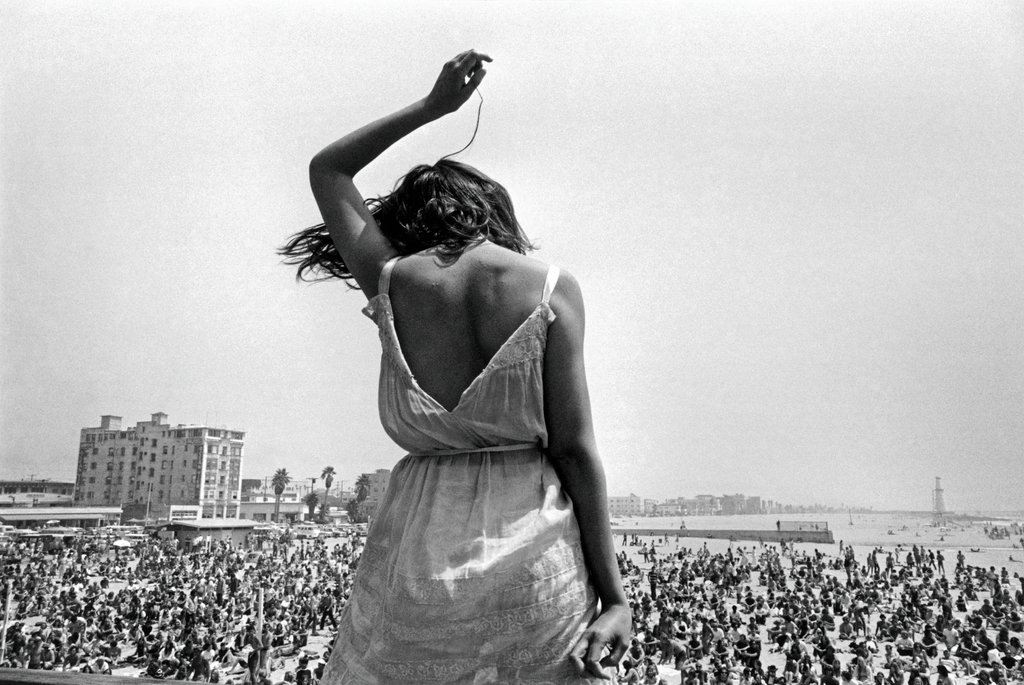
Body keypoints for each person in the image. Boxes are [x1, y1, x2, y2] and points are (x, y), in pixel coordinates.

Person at [281, 50, 631, 683]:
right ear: (494, 212)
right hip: (535, 554)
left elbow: (328, 169)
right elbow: (576, 452)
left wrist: (432, 107)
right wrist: (615, 597)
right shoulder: (549, 286)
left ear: (413, 220)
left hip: (415, 553)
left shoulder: (389, 282)